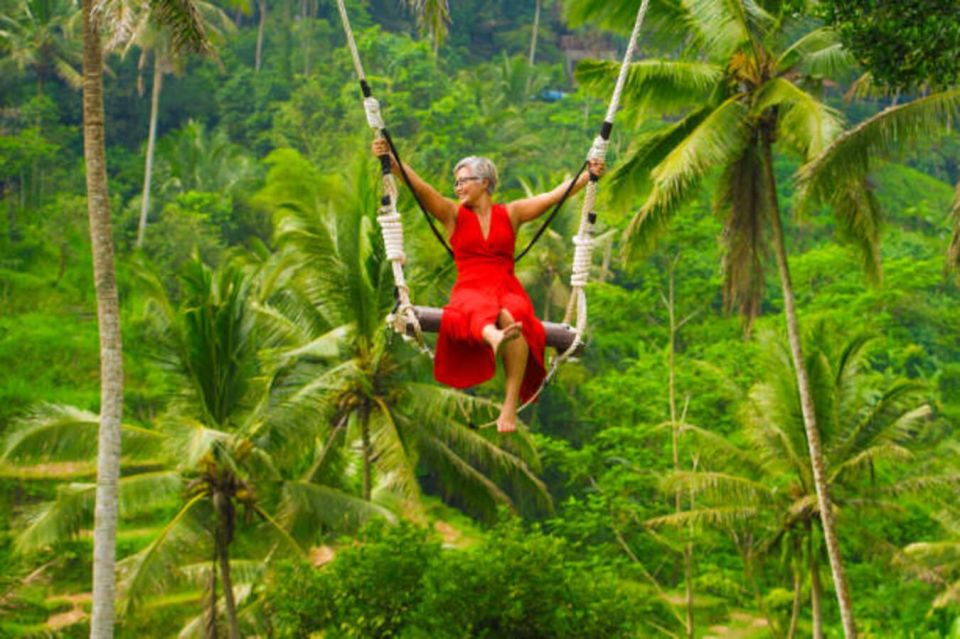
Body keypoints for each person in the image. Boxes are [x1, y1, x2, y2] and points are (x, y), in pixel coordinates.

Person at [372, 139, 604, 432]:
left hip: (506, 284)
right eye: (455, 183)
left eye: (462, 181)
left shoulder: (512, 213)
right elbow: (423, 190)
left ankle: (509, 408)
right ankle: (492, 335)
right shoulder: (453, 214)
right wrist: (393, 163)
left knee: (518, 316)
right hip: (471, 284)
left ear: (484, 182)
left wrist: (588, 176)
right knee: (473, 307)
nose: (457, 188)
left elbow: (553, 197)